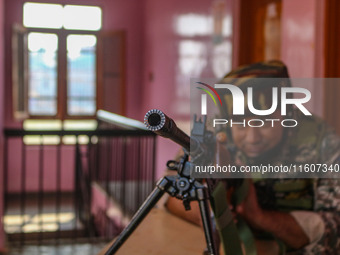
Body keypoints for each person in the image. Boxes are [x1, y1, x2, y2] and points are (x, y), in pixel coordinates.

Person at [166, 60, 340, 254]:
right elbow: (169, 194)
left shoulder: (323, 141)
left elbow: (335, 227)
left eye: (264, 123)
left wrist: (259, 217)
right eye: (240, 124)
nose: (252, 138)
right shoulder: (213, 134)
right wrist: (207, 214)